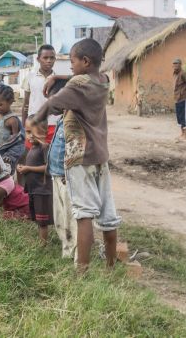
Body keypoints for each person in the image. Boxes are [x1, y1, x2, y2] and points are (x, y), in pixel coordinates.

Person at [34, 38, 121, 272]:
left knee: (84, 215)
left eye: (72, 61)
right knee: (107, 215)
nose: (69, 66)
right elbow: (77, 80)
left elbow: (53, 103)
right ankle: (111, 267)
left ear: (85, 61)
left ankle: (81, 272)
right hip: (100, 156)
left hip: (80, 158)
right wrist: (59, 78)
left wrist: (34, 119)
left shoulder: (79, 85)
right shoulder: (102, 81)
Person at [47, 106, 78, 260]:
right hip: (56, 175)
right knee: (59, 217)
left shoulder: (73, 121)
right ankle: (66, 251)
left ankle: (75, 253)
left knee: (70, 218)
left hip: (66, 178)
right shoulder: (60, 120)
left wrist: (70, 171)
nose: (52, 103)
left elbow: (76, 149)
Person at [17, 117, 53, 245]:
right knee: (38, 218)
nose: (30, 136)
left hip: (42, 190)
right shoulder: (33, 147)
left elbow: (48, 168)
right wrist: (23, 168)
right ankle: (41, 241)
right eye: (27, 132)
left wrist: (28, 168)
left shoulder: (45, 147)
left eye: (34, 132)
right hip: (34, 189)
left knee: (42, 221)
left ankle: (43, 244)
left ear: (44, 132)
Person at [22, 44, 58, 146]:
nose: (49, 60)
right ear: (38, 59)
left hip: (53, 124)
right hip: (34, 124)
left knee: (50, 156)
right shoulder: (30, 77)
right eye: (45, 58)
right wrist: (23, 126)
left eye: (52, 58)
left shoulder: (58, 79)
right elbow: (26, 103)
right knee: (32, 156)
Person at [0, 84, 25, 169]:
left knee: (5, 174)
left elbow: (16, 141)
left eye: (0, 105)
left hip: (5, 154)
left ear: (10, 102)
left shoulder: (12, 120)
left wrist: (9, 155)